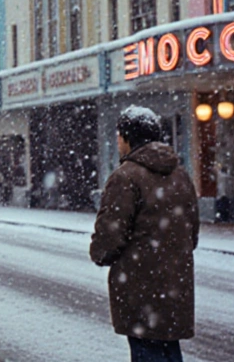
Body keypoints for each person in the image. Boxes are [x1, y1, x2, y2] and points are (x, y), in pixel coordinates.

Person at [90, 106, 199, 362]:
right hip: (175, 283)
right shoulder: (180, 175)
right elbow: (191, 234)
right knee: (168, 351)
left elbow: (110, 236)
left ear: (128, 138)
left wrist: (100, 253)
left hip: (139, 285)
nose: (117, 142)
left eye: (119, 136)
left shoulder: (126, 177)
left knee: (145, 351)